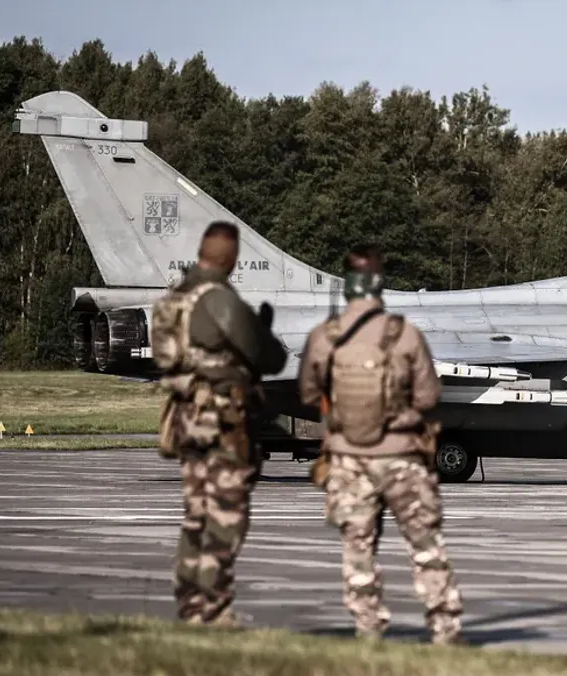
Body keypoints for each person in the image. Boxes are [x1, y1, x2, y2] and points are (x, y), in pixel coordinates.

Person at [297, 242, 464, 645]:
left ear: (347, 284)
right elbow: (428, 396)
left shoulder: (325, 337)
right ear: (379, 283)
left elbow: (306, 392)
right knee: (425, 543)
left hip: (349, 459)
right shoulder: (404, 335)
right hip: (402, 456)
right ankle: (445, 629)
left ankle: (368, 629)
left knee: (358, 546)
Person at [149, 220, 288, 627]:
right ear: (230, 257)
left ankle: (191, 607)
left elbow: (169, 361)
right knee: (226, 515)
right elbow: (269, 357)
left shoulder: (173, 300)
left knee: (196, 515)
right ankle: (213, 610)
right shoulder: (219, 299)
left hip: (186, 418)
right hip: (221, 420)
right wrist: (261, 332)